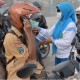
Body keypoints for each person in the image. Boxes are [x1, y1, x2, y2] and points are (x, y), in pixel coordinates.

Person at [3, 2, 43, 80]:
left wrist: (30, 34)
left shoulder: (21, 33)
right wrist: (30, 35)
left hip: (29, 70)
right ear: (19, 20)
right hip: (18, 75)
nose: (29, 21)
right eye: (27, 19)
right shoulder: (11, 37)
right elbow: (31, 57)